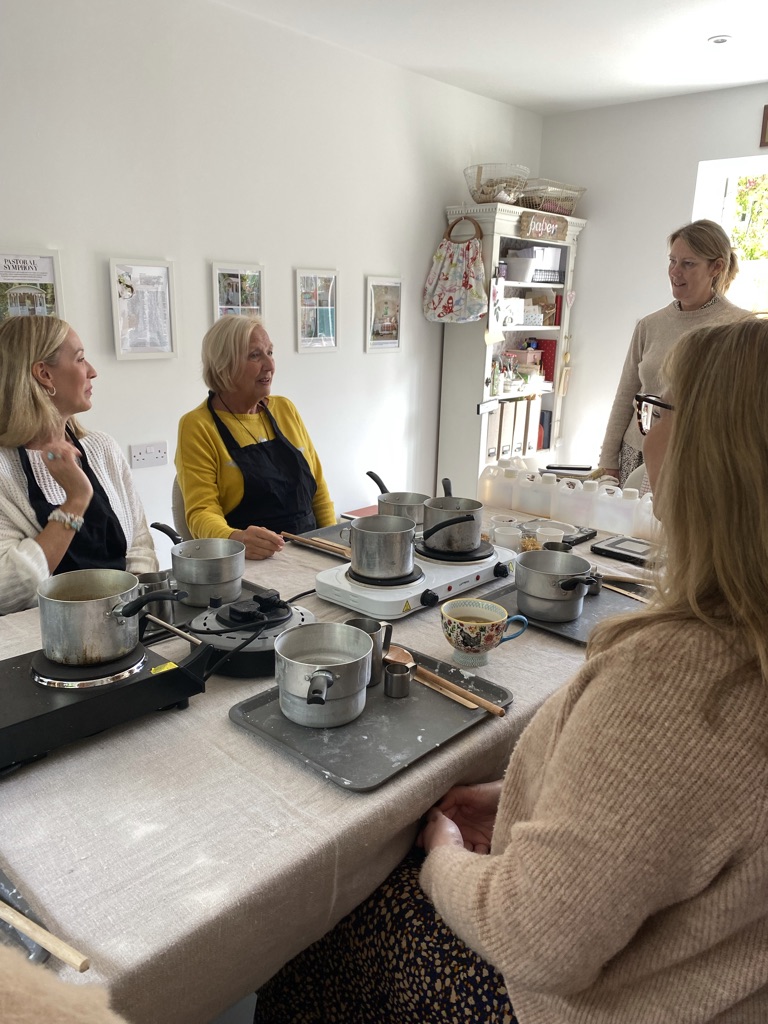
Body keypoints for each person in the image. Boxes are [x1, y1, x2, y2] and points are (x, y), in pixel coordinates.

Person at [255, 317, 768, 1022]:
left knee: (316, 928)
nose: (646, 434)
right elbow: (665, 818)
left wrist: (440, 859)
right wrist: (526, 796)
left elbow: (538, 943)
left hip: (578, 1005)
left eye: (658, 410)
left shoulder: (678, 677)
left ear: (712, 456)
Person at [0, 316, 158, 615]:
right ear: (44, 374)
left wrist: (132, 606)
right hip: (46, 638)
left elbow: (139, 543)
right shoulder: (3, 471)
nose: (93, 372)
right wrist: (75, 502)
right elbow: (6, 591)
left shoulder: (102, 449)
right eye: (81, 359)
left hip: (125, 622)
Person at [600, 218, 747, 484]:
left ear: (717, 267)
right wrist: (608, 461)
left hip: (697, 459)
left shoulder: (740, 327)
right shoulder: (650, 325)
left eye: (688, 264)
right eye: (672, 261)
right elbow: (625, 396)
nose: (675, 272)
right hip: (636, 452)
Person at [176, 315, 335, 560]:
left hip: (312, 552)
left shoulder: (285, 409)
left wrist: (332, 546)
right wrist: (235, 540)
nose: (269, 365)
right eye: (255, 355)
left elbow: (319, 491)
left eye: (270, 352)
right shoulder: (197, 426)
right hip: (251, 563)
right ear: (224, 364)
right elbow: (201, 513)